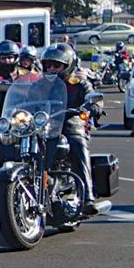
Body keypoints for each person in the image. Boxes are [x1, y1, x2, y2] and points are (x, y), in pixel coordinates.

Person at [41, 44, 100, 215]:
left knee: (78, 147)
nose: (51, 69)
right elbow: (26, 100)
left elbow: (92, 97)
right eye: (48, 65)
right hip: (44, 128)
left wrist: (93, 105)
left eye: (56, 65)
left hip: (70, 126)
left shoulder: (79, 83)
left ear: (69, 66)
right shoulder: (40, 85)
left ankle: (88, 197)